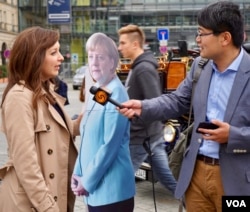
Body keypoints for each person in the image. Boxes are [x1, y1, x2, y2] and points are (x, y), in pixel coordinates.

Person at [118, 1, 250, 211]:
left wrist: (232, 136)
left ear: (225, 37)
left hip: (237, 182)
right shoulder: (200, 66)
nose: (197, 40)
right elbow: (177, 101)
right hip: (196, 175)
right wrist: (143, 106)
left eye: (201, 33)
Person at [0, 26, 82, 211]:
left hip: (52, 193)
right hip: (31, 203)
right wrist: (47, 207)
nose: (61, 57)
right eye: (54, 52)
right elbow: (25, 163)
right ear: (34, 57)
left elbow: (64, 130)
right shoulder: (19, 98)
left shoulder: (47, 91)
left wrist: (91, 115)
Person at [71, 32, 135, 212]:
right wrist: (77, 173)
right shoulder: (99, 91)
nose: (94, 63)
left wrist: (87, 181)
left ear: (113, 63)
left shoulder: (117, 94)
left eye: (100, 57)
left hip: (112, 191)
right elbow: (87, 140)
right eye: (91, 57)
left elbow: (110, 145)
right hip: (95, 188)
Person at [117, 24, 177, 195]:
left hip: (141, 138)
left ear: (135, 44)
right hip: (149, 137)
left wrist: (136, 127)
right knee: (167, 180)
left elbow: (154, 103)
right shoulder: (137, 67)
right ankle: (195, 203)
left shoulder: (143, 69)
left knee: (120, 183)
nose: (119, 47)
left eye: (123, 43)